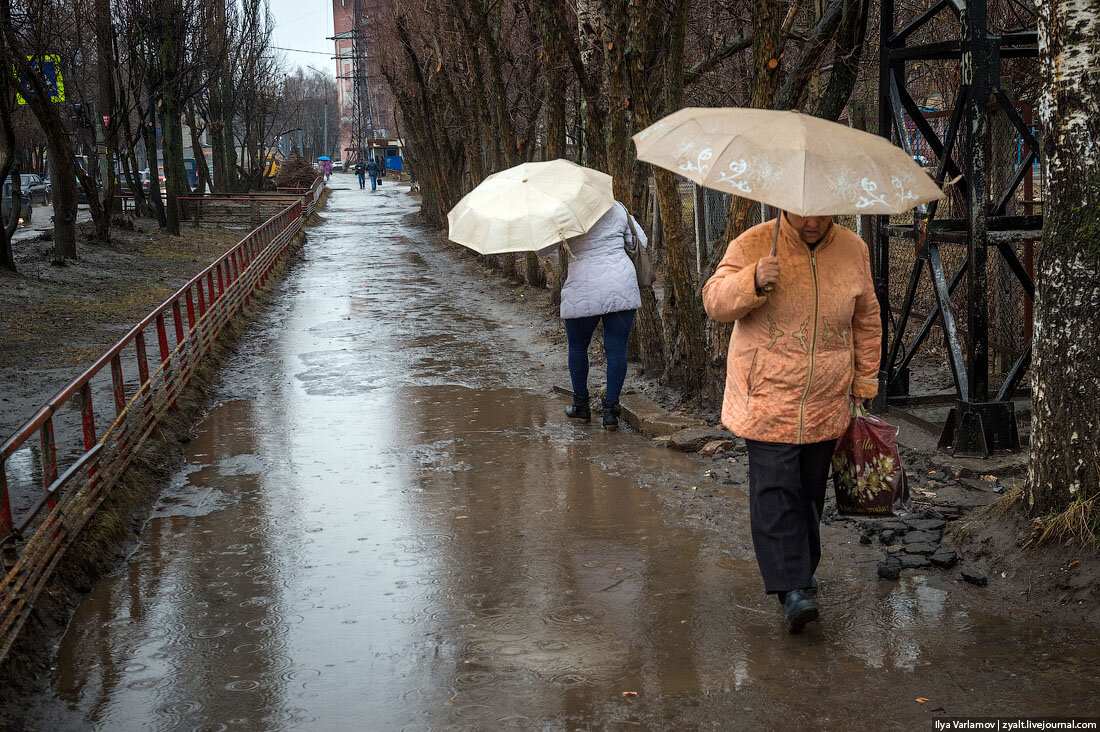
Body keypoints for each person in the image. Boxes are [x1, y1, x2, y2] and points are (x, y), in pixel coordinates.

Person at [701, 212, 880, 634]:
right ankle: (792, 589)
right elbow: (714, 301)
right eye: (803, 215)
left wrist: (865, 381)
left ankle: (800, 568)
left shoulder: (854, 249)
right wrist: (752, 280)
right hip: (766, 394)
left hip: (825, 397)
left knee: (810, 491)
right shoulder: (755, 242)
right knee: (775, 488)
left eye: (821, 214)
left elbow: (866, 320)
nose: (812, 222)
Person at [558, 202, 647, 431]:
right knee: (616, 348)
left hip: (582, 287)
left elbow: (542, 250)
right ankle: (610, 413)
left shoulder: (562, 213)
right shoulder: (616, 208)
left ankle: (581, 408)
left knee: (578, 347)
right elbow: (641, 241)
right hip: (621, 284)